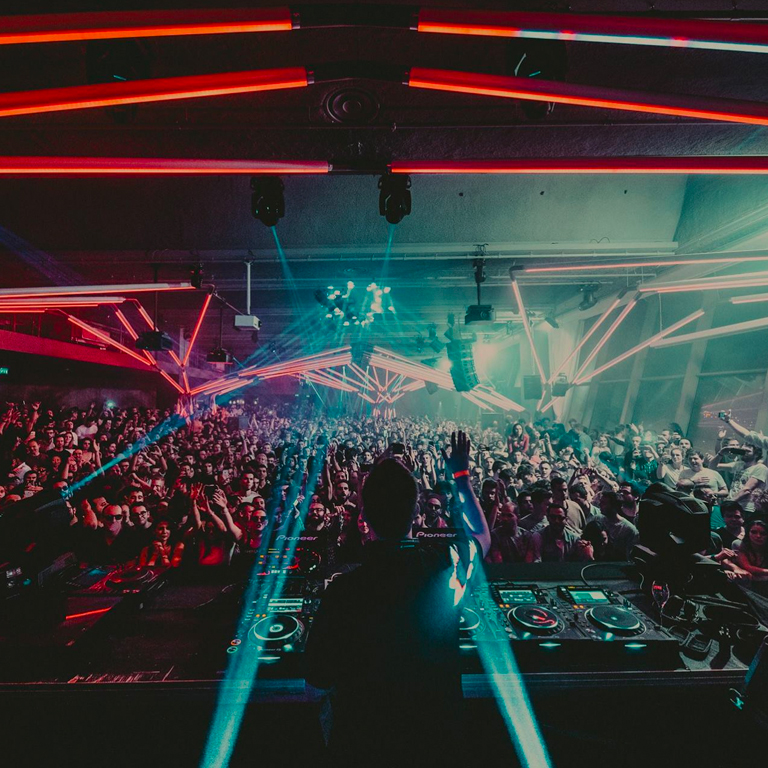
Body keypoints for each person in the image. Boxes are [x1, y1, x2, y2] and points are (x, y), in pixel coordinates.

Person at [304, 432, 490, 768]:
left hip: (366, 748)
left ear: (364, 517)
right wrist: (462, 477)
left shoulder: (343, 591)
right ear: (416, 511)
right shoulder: (447, 567)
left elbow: (316, 685)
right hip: (437, 741)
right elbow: (482, 537)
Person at [584, 490, 639, 561]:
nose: (600, 505)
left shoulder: (629, 530)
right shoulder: (597, 519)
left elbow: (629, 556)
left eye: (604, 503)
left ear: (614, 506)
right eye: (600, 502)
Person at [735, 518, 768, 582]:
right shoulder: (739, 545)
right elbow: (747, 567)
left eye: (763, 533)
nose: (758, 536)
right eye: (754, 532)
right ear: (748, 533)